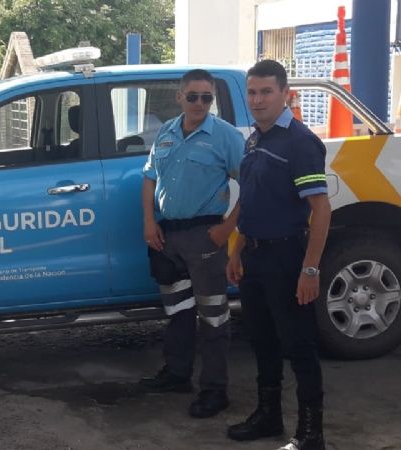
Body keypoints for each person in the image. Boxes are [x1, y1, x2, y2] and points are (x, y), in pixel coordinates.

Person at [226, 60, 331, 450]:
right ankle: (268, 416)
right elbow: (250, 201)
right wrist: (237, 251)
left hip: (287, 258)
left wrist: (310, 268)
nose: (258, 99)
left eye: (266, 91)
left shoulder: (299, 142)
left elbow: (320, 209)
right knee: (263, 339)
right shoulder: (255, 138)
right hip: (254, 257)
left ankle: (310, 434)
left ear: (285, 94)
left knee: (299, 345)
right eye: (252, 92)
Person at [139, 69, 245, 419]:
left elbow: (253, 185)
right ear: (179, 97)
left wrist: (227, 228)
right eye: (193, 96)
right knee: (178, 312)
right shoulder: (166, 133)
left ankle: (215, 391)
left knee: (213, 316)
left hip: (205, 237)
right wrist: (150, 222)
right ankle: (177, 374)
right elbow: (149, 178)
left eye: (207, 97)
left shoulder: (225, 136)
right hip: (167, 237)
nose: (200, 103)